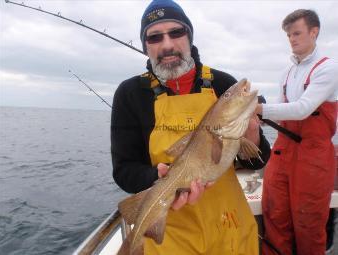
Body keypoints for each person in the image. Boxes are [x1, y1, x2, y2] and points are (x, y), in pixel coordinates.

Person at [111, 0, 271, 254]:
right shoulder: (129, 94)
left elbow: (255, 163)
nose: (167, 45)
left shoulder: (222, 82)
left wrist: (253, 135)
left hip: (229, 227)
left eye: (176, 32)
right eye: (154, 37)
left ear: (190, 35)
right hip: (171, 232)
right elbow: (124, 171)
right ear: (146, 46)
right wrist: (160, 177)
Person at [255, 9, 338, 255]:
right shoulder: (287, 72)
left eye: (297, 33)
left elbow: (302, 109)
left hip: (313, 156)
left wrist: (259, 108)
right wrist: (257, 116)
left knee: (308, 223)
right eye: (289, 35)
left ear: (315, 32)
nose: (292, 39)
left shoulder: (329, 68)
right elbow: (280, 109)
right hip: (282, 152)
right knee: (275, 215)